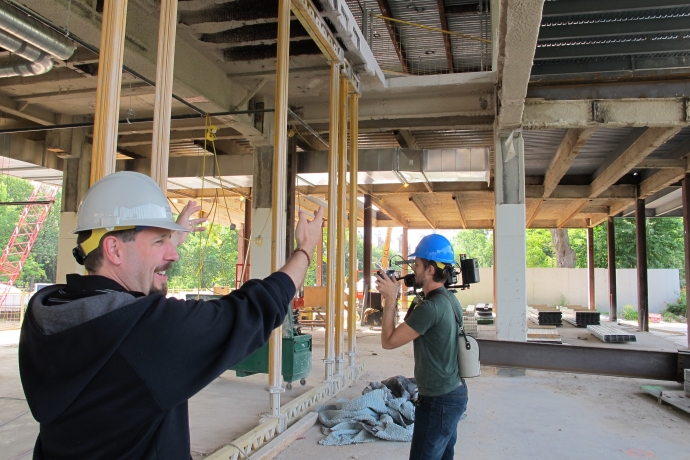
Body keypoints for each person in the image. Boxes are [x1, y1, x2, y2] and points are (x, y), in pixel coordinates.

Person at [18, 171, 324, 459]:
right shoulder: (147, 331)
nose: (174, 254)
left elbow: (122, 286)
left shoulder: (45, 312)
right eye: (159, 241)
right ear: (113, 249)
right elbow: (254, 308)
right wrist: (305, 249)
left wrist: (158, 248)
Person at [375, 234, 468, 460]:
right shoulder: (447, 298)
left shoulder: (430, 308)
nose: (412, 270)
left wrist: (390, 299)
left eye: (416, 265)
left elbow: (388, 341)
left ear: (430, 269)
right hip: (451, 393)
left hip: (439, 401)